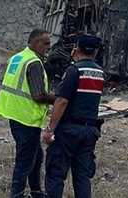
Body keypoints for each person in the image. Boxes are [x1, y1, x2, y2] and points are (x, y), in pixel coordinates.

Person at [0, 29, 57, 198]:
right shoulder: (34, 63)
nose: (49, 47)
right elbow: (39, 95)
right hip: (26, 117)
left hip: (15, 114)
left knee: (36, 157)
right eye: (46, 44)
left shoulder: (18, 57)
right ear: (36, 43)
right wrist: (58, 99)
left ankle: (36, 192)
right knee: (25, 161)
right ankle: (17, 194)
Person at [43, 34, 105, 198]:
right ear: (95, 52)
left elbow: (62, 101)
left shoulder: (73, 71)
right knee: (82, 176)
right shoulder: (100, 73)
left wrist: (50, 129)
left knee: (56, 174)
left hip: (69, 130)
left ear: (76, 49)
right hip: (90, 131)